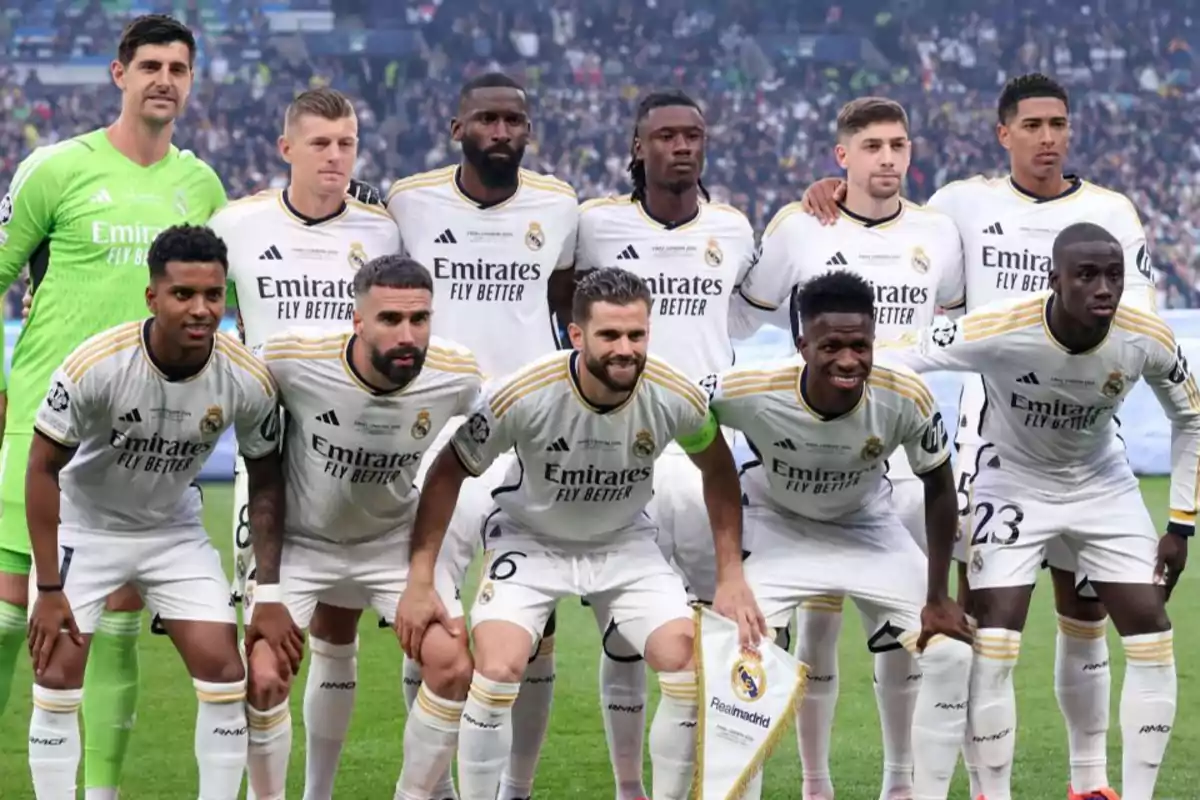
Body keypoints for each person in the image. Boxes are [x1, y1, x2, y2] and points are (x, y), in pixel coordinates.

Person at [797, 73, 1158, 799]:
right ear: (1005, 134)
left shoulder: (1111, 211)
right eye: (1032, 125)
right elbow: (902, 231)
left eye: (1059, 124)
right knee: (985, 617)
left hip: (1084, 435)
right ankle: (982, 780)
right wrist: (830, 193)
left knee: (1084, 608)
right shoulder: (963, 204)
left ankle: (1088, 779)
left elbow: (1135, 315)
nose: (1048, 138)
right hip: (988, 440)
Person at [395, 267, 764, 800]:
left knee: (685, 668)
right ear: (576, 336)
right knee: (497, 672)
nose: (625, 349)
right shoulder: (524, 393)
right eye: (609, 335)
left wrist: (730, 574)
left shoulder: (672, 393)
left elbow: (718, 468)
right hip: (530, 539)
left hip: (625, 544)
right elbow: (450, 469)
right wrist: (423, 573)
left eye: (636, 335)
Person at [882, 222, 1189, 800]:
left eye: (1115, 276)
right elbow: (903, 359)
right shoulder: (1003, 327)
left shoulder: (1144, 335)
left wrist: (1180, 525)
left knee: (1150, 628)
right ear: (1055, 279)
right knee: (995, 636)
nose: (1104, 288)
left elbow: (1191, 416)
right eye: (1087, 275)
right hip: (1013, 482)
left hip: (1101, 482)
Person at [0, 16, 226, 798]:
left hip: (134, 452)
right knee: (9, 624)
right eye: (151, 65)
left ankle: (101, 793)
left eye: (180, 67)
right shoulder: (54, 169)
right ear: (118, 74)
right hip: (39, 430)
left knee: (116, 629)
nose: (166, 79)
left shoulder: (201, 185)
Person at [736, 96, 965, 800]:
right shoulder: (801, 225)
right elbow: (746, 315)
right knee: (818, 631)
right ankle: (814, 782)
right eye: (871, 146)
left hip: (902, 447)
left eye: (898, 144)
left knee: (901, 637)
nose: (888, 158)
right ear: (842, 157)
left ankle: (900, 783)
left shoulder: (939, 232)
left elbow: (951, 321)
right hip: (814, 446)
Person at [24, 224, 279, 799]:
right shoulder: (99, 365)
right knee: (57, 671)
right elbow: (41, 468)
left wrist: (272, 590)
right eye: (183, 294)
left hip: (174, 532)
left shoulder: (246, 377)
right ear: (152, 297)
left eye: (213, 295)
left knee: (223, 669)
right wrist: (47, 586)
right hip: (87, 529)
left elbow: (266, 476)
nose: (201, 309)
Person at [706, 269, 974, 800]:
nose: (848, 360)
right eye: (831, 346)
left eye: (860, 345)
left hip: (867, 530)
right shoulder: (749, 391)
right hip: (780, 529)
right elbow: (685, 421)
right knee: (740, 653)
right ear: (803, 344)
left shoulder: (907, 396)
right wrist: (729, 571)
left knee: (951, 654)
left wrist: (938, 596)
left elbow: (940, 488)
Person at [385, 71, 579, 800]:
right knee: (429, 609)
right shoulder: (410, 199)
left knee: (536, 623)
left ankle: (515, 790)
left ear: (528, 130)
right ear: (457, 125)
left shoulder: (559, 206)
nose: (501, 133)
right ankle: (431, 789)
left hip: (527, 435)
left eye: (513, 121)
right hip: (434, 438)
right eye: (487, 120)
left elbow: (562, 299)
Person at [205, 86, 401, 798]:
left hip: (359, 460)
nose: (335, 157)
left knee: (337, 636)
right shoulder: (238, 223)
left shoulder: (383, 231)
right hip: (270, 462)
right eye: (320, 143)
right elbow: (190, 302)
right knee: (266, 653)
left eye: (347, 143)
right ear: (286, 149)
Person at [572, 88, 758, 800]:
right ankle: (629, 787)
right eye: (665, 135)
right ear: (637, 147)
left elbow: (746, 315)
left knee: (717, 624)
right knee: (624, 628)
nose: (681, 146)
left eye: (693, 135)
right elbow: (566, 302)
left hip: (708, 447)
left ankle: (718, 778)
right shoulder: (595, 225)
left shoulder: (735, 230)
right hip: (619, 447)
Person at [241, 255, 478, 800]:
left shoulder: (456, 375)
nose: (408, 335)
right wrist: (267, 589)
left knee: (451, 664)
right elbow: (231, 396)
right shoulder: (291, 359)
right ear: (357, 321)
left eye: (419, 320)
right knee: (263, 674)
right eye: (390, 320)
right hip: (301, 543)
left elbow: (477, 447)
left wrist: (423, 579)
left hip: (390, 543)